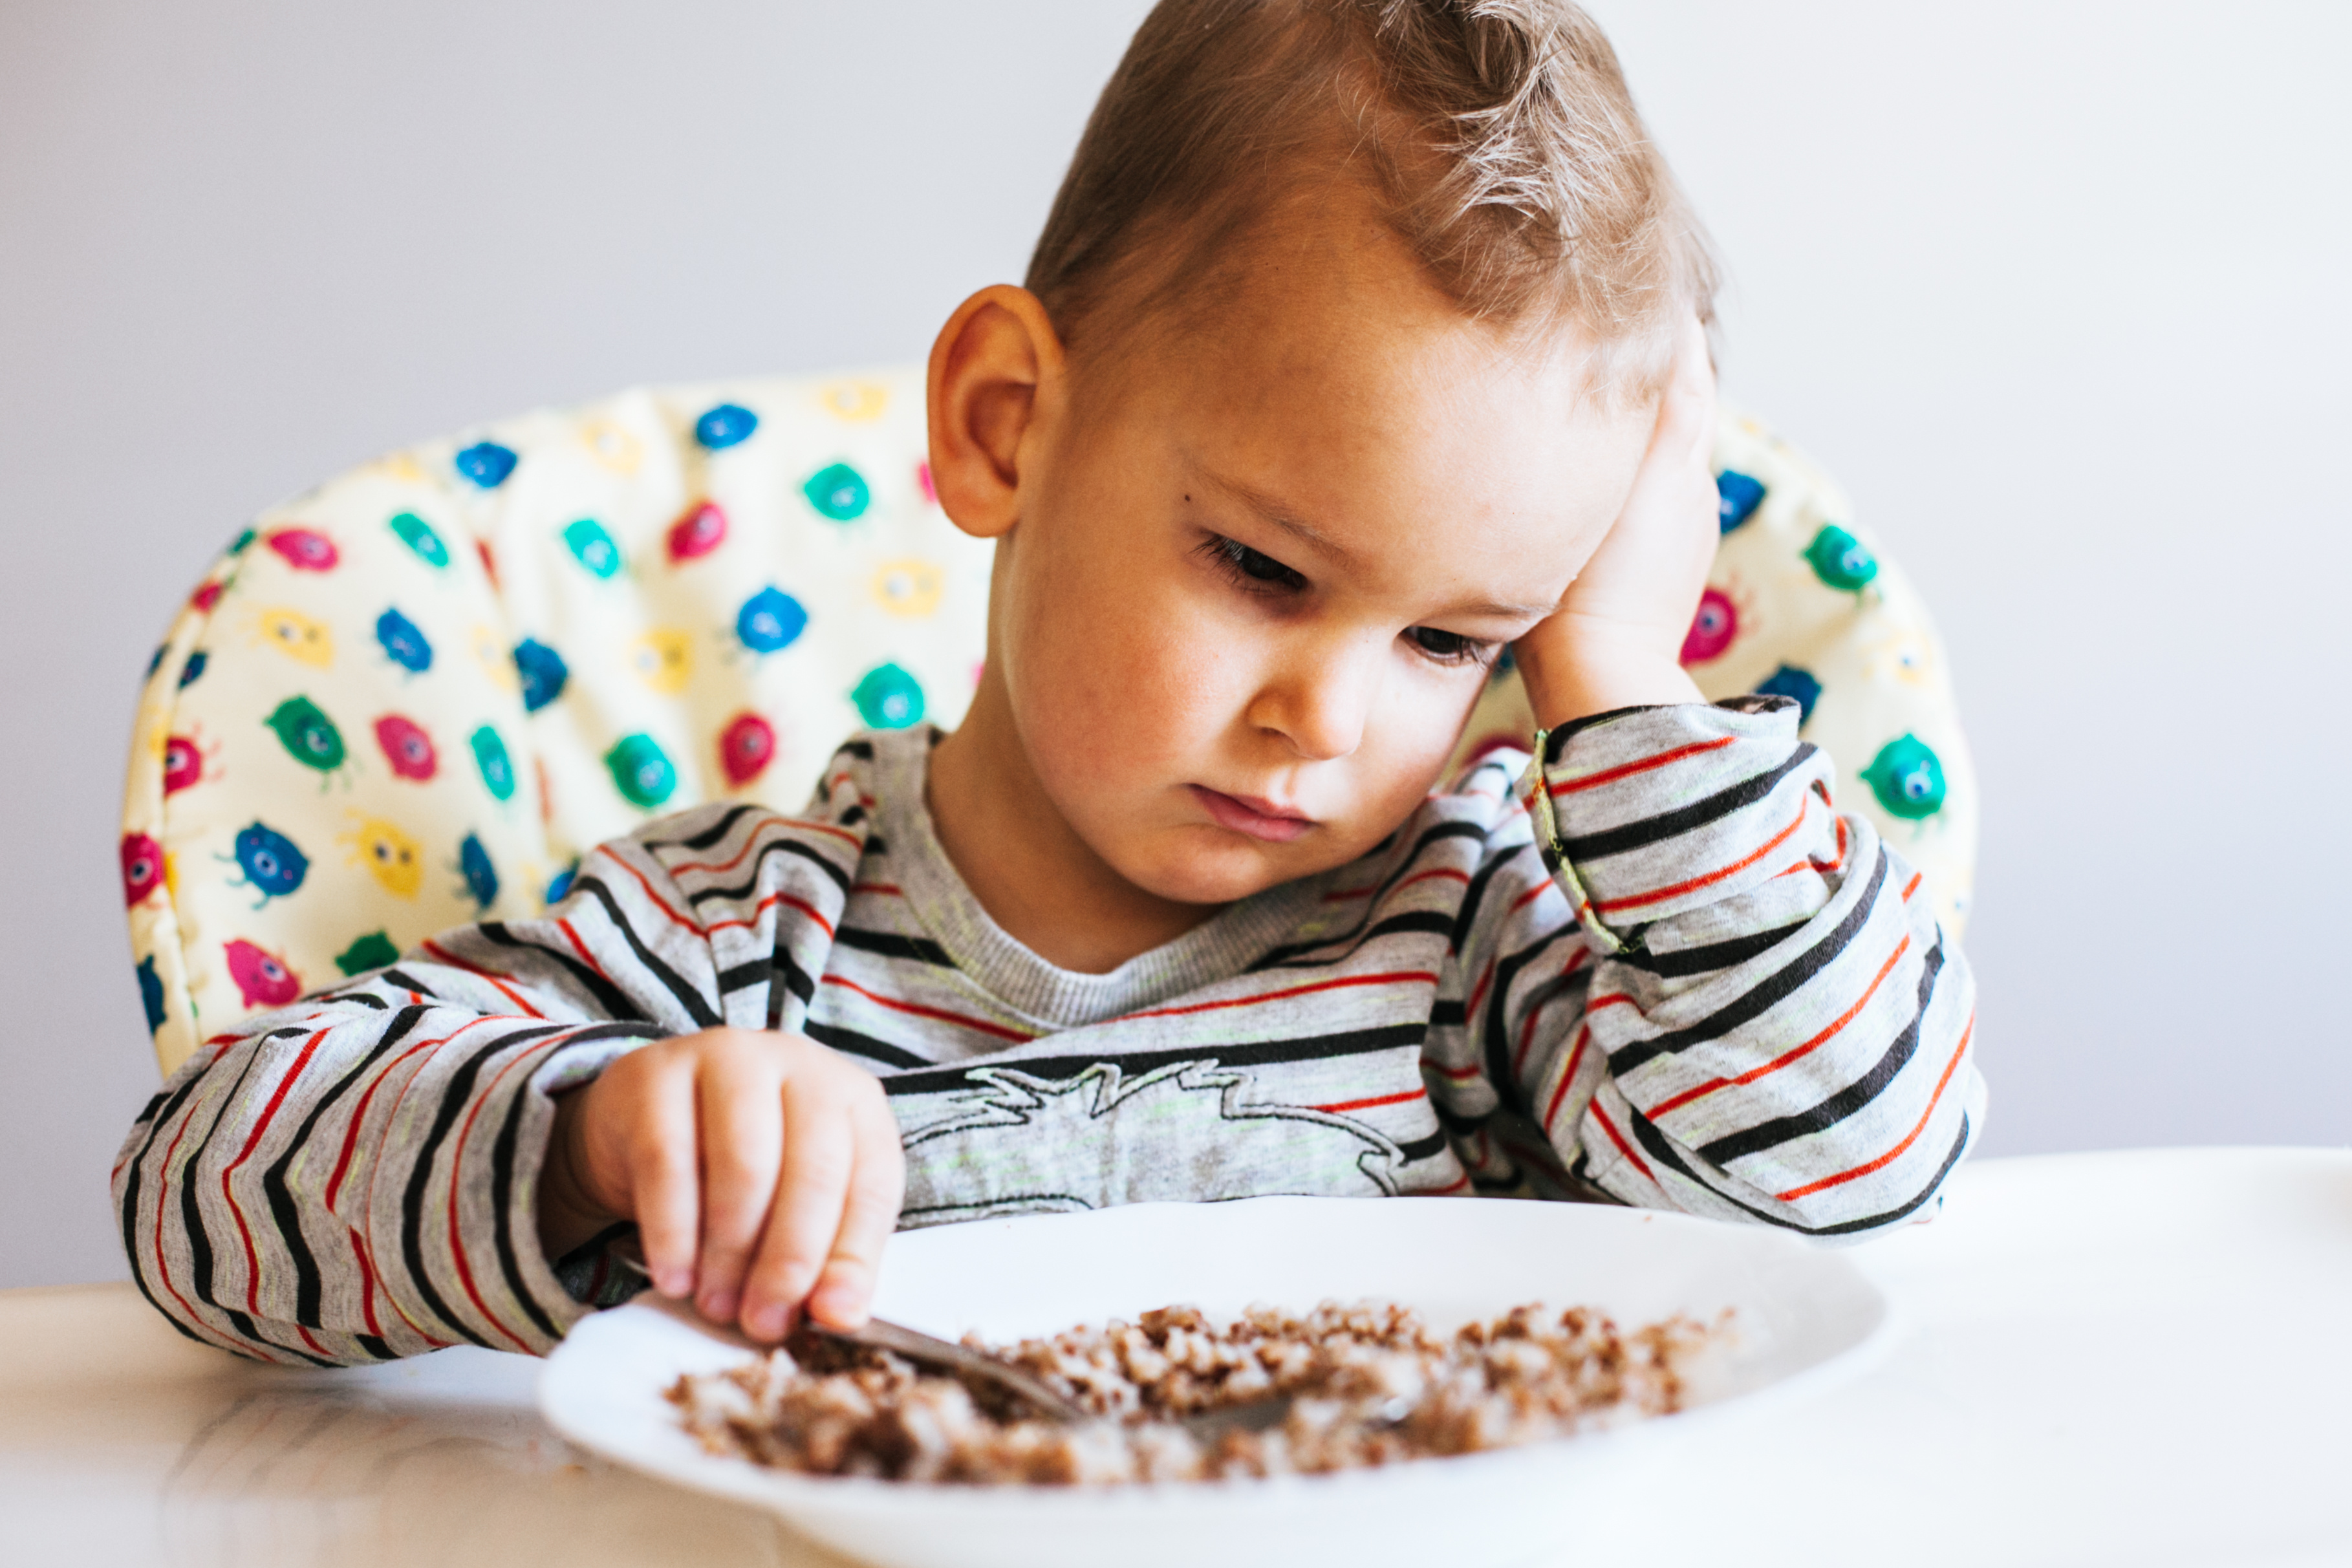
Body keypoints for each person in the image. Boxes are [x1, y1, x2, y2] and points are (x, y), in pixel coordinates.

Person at [114, 0, 1981, 1366]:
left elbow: (1852, 1174)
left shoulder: (1475, 936)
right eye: (1261, 567)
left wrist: (1617, 685)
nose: (1329, 721)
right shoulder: (745, 939)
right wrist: (603, 1130)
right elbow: (201, 1196)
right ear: (1008, 426)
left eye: (1453, 637)